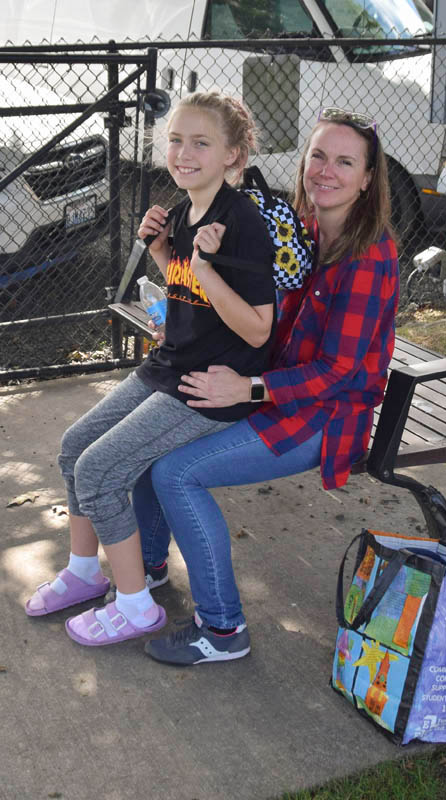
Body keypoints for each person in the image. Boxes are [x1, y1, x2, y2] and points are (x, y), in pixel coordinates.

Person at [132, 106, 400, 666]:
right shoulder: (296, 230)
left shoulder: (368, 258)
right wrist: (175, 293)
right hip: (274, 387)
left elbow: (338, 372)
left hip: (322, 417)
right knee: (151, 435)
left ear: (368, 179)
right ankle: (149, 570)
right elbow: (251, 311)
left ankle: (223, 629)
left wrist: (247, 388)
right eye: (318, 156)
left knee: (175, 472)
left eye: (344, 162)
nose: (325, 171)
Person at [25, 91, 276, 646]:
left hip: (209, 387)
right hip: (170, 365)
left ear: (234, 154)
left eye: (201, 143)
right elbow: (191, 293)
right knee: (74, 448)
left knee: (98, 470)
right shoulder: (186, 210)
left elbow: (259, 329)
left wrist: (206, 267)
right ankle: (86, 573)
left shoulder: (243, 223)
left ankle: (136, 605)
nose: (184, 153)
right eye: (176, 140)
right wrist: (166, 254)